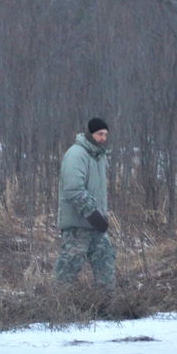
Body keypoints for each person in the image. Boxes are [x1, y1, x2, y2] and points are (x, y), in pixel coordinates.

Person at [55, 117, 115, 288]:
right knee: (69, 267)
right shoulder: (76, 154)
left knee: (106, 263)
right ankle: (56, 307)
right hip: (77, 224)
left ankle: (106, 309)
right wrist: (92, 213)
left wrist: (100, 216)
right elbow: (73, 189)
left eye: (105, 134)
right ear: (90, 133)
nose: (103, 138)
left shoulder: (99, 156)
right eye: (99, 134)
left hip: (96, 223)